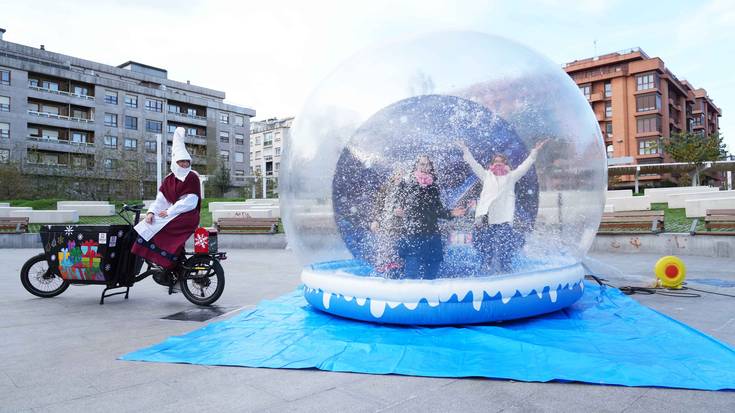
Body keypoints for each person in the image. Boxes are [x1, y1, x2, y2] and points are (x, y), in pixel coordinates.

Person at [457, 139, 548, 272]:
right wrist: (465, 149)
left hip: (503, 218)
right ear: (492, 164)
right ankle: (486, 270)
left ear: (506, 163)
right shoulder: (486, 176)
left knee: (505, 248)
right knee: (485, 249)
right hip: (485, 217)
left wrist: (535, 151)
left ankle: (505, 271)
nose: (498, 163)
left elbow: (525, 166)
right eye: (496, 161)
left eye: (501, 161)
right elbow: (473, 164)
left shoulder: (511, 176)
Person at [132, 127, 201, 283]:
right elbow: (160, 200)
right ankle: (172, 266)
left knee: (158, 227)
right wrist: (150, 213)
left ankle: (166, 261)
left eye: (186, 161)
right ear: (175, 162)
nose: (184, 164)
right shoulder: (169, 180)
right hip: (173, 214)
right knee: (149, 223)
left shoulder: (192, 177)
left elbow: (191, 202)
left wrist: (170, 211)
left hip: (188, 216)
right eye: (181, 161)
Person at [394, 155, 464, 280]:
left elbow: (436, 210)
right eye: (422, 164)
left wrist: (451, 213)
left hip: (432, 232)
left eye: (427, 165)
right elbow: (397, 202)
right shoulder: (407, 183)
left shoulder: (433, 186)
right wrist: (398, 210)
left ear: (431, 167)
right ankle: (410, 297)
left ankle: (428, 298)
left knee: (432, 269)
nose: (425, 167)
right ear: (416, 165)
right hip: (414, 233)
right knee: (412, 272)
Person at [369, 169, 404, 277]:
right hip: (386, 226)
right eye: (397, 174)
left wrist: (404, 212)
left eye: (402, 175)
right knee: (384, 249)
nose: (399, 177)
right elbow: (378, 207)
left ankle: (396, 272)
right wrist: (375, 220)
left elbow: (412, 208)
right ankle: (382, 271)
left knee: (397, 253)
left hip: (400, 228)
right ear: (392, 176)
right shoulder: (386, 189)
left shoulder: (406, 189)